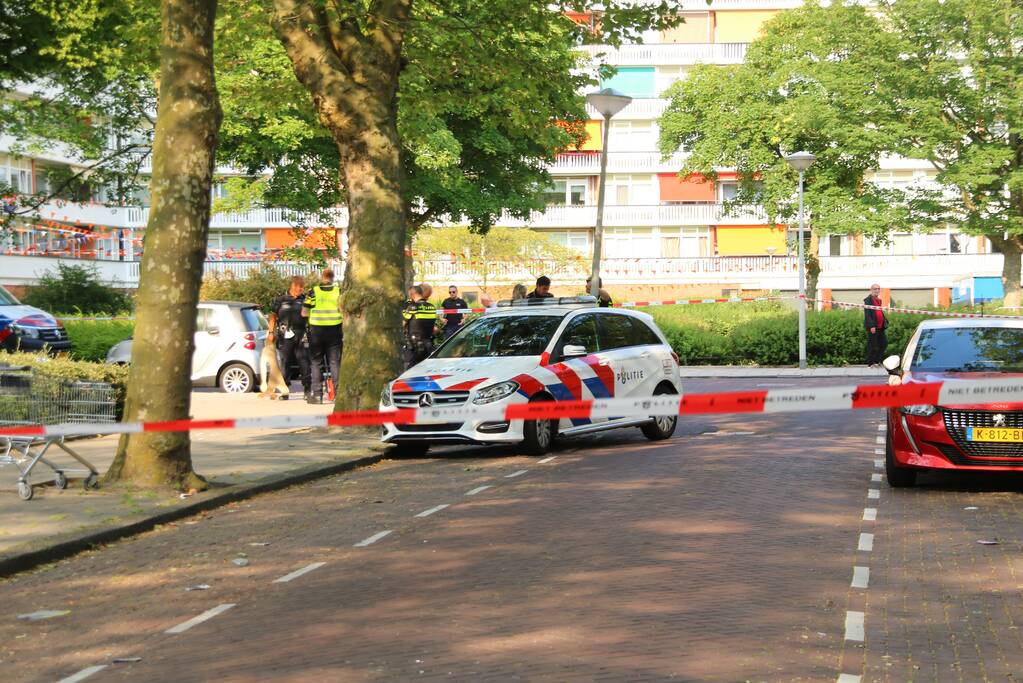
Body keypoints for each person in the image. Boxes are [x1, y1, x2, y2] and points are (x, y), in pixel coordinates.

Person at [302, 269, 343, 404]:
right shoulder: (339, 291)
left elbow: (304, 312)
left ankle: (318, 395)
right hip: (335, 330)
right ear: (333, 277)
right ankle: (337, 394)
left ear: (322, 277)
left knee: (316, 363)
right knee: (334, 363)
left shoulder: (313, 292)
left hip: (317, 332)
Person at [268, 276, 311, 400]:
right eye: (298, 287)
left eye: (302, 287)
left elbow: (310, 315)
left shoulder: (304, 300)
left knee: (304, 362)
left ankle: (307, 389)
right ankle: (284, 390)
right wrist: (271, 332)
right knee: (285, 363)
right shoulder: (281, 299)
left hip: (301, 334)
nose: (300, 290)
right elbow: (272, 316)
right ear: (292, 286)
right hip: (284, 334)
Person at [402, 284, 438, 369]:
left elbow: (403, 324)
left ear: (412, 294)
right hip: (428, 343)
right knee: (424, 369)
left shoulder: (412, 307)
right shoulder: (432, 307)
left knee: (410, 370)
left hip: (415, 344)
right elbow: (434, 328)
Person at [864, 283, 889, 367]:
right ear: (871, 290)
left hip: (881, 326)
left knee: (884, 344)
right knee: (872, 345)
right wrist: (871, 326)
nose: (877, 290)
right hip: (873, 327)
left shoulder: (879, 300)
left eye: (878, 289)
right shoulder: (868, 300)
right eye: (875, 289)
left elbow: (878, 312)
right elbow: (867, 314)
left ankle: (877, 361)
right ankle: (871, 363)